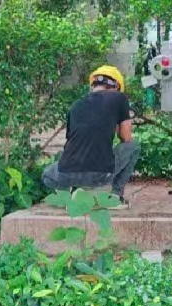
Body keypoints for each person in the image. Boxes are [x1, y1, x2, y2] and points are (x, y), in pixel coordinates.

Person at [42, 65, 140, 204]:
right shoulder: (119, 98)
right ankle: (115, 196)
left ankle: (72, 193)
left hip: (66, 175)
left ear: (93, 85)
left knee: (47, 174)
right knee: (133, 146)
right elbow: (126, 138)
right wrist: (117, 123)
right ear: (116, 86)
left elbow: (72, 143)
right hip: (99, 175)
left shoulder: (76, 105)